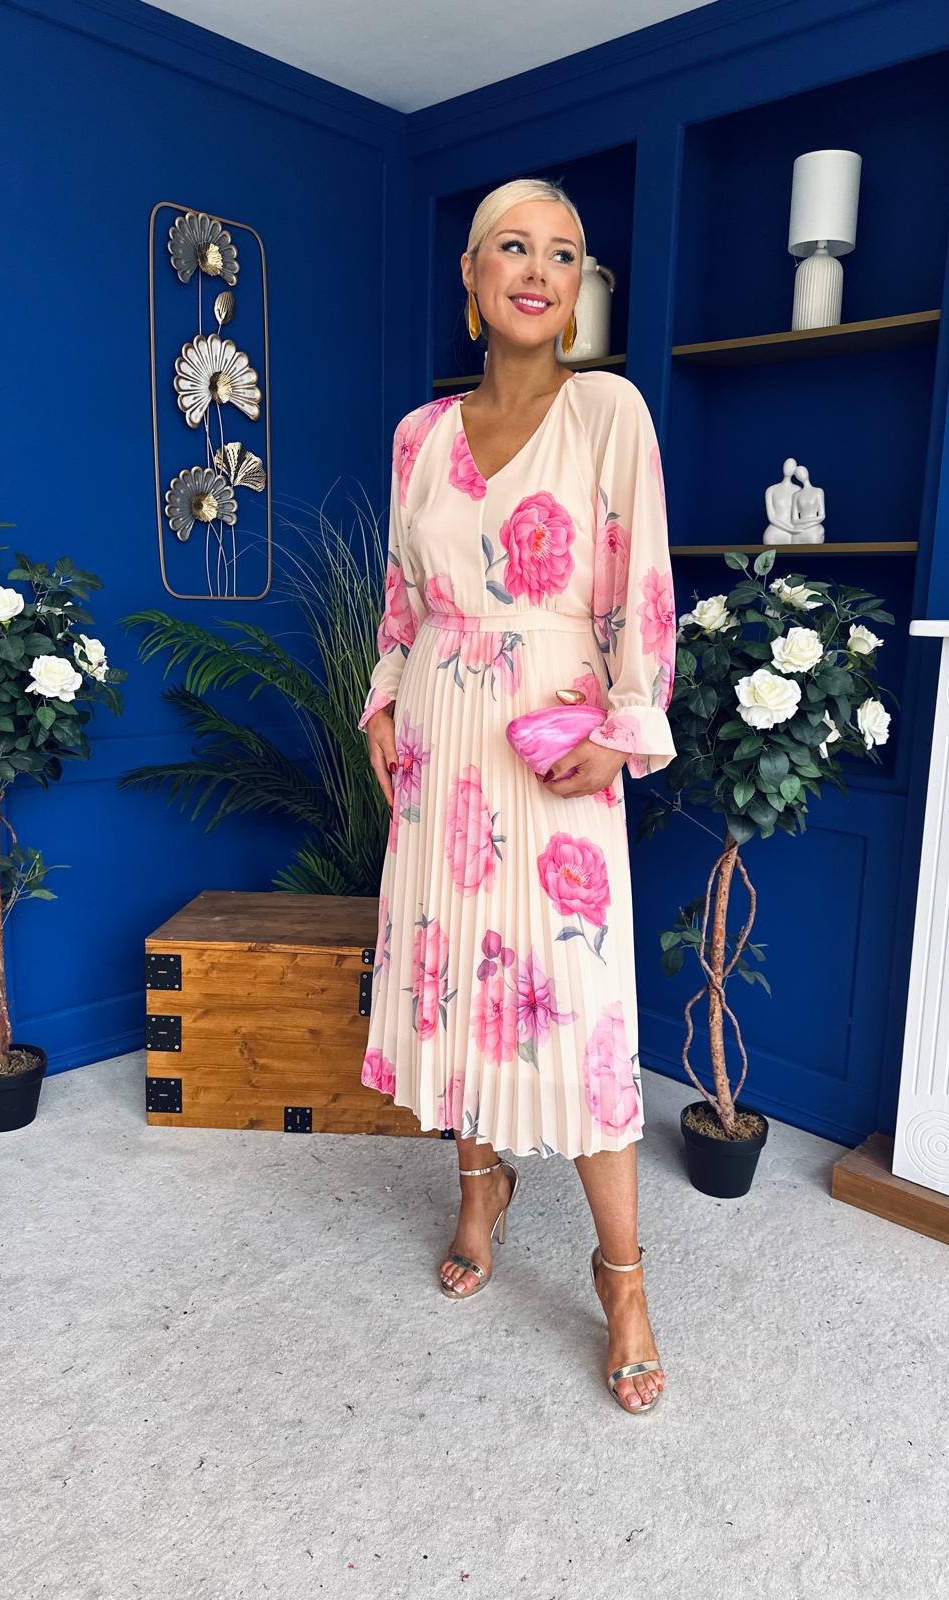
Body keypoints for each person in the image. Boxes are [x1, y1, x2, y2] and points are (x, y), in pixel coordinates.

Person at [358, 177, 677, 1414]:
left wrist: (629, 727)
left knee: (580, 1010)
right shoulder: (418, 436)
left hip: (558, 739)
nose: (538, 270)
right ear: (473, 277)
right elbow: (403, 597)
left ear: (578, 286)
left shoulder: (608, 412)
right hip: (442, 739)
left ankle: (622, 1276)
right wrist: (382, 699)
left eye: (563, 253)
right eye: (512, 247)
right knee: (456, 978)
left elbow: (642, 586)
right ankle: (478, 1185)